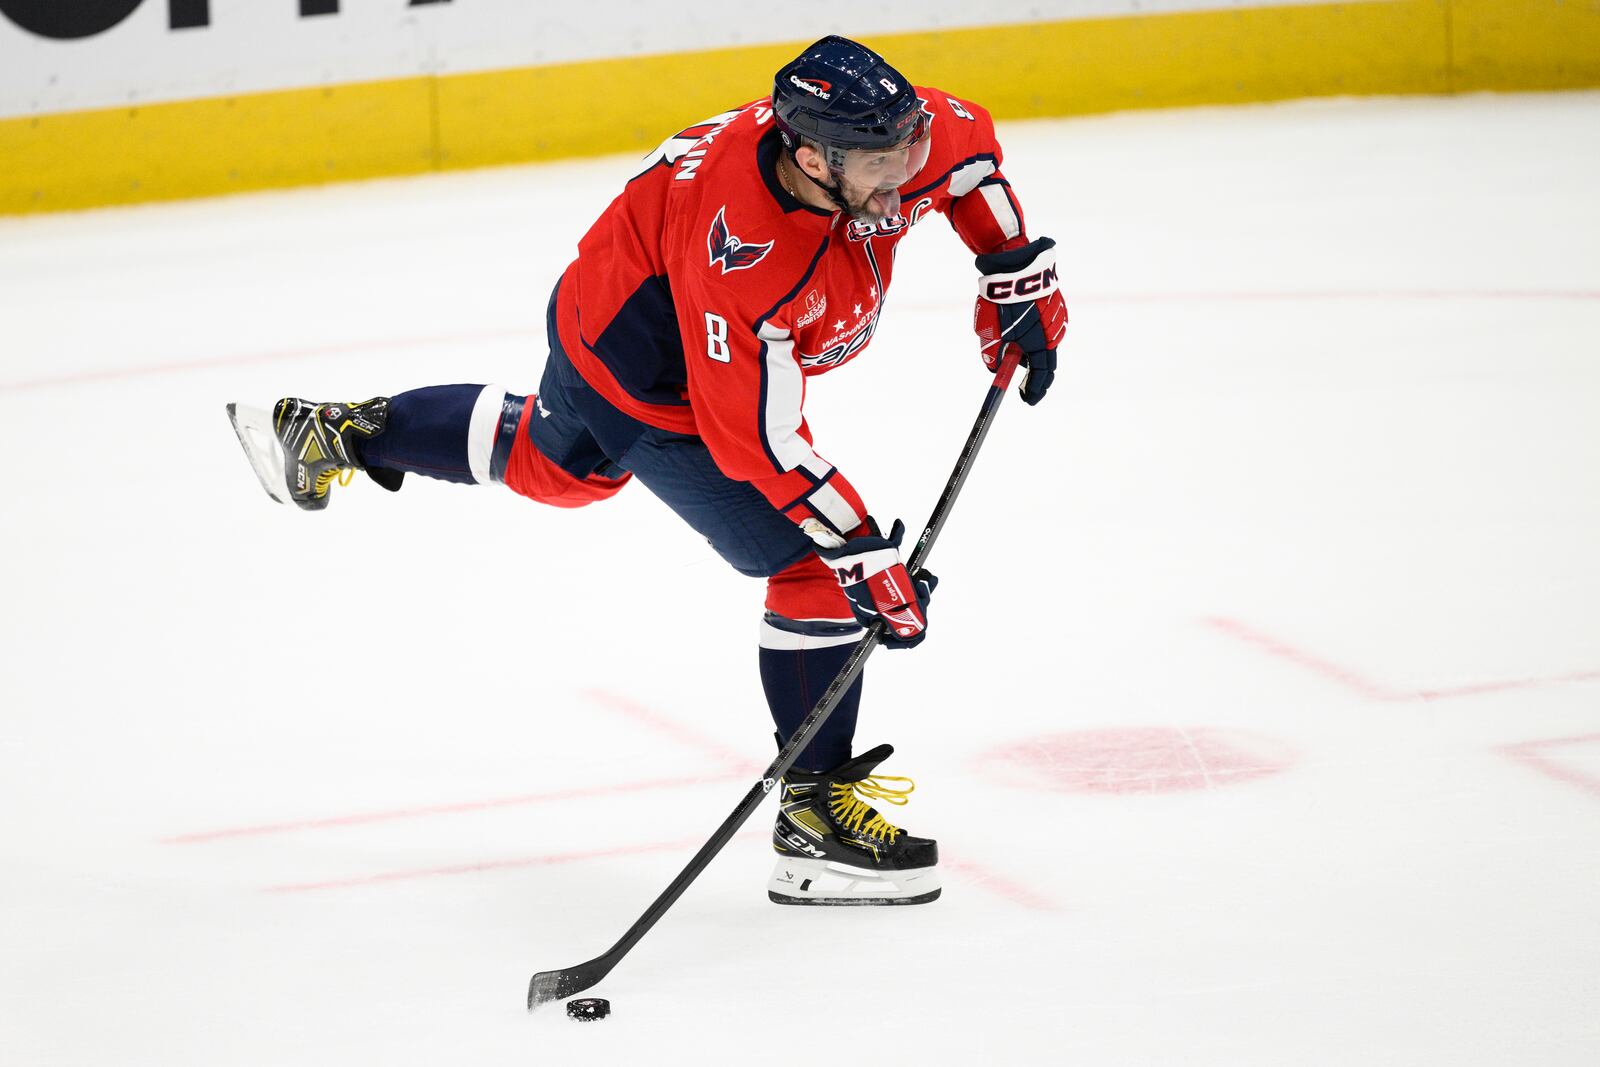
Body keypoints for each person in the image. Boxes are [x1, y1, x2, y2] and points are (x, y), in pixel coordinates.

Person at [227, 35, 1067, 906]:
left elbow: (968, 167)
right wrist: (861, 550)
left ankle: (344, 433)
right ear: (812, 159)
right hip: (654, 380)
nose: (905, 178)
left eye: (909, 148)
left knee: (559, 469)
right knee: (814, 566)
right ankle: (813, 823)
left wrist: (1011, 273)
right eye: (883, 164)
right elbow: (756, 441)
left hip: (601, 299)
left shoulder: (875, 135)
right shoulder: (747, 252)